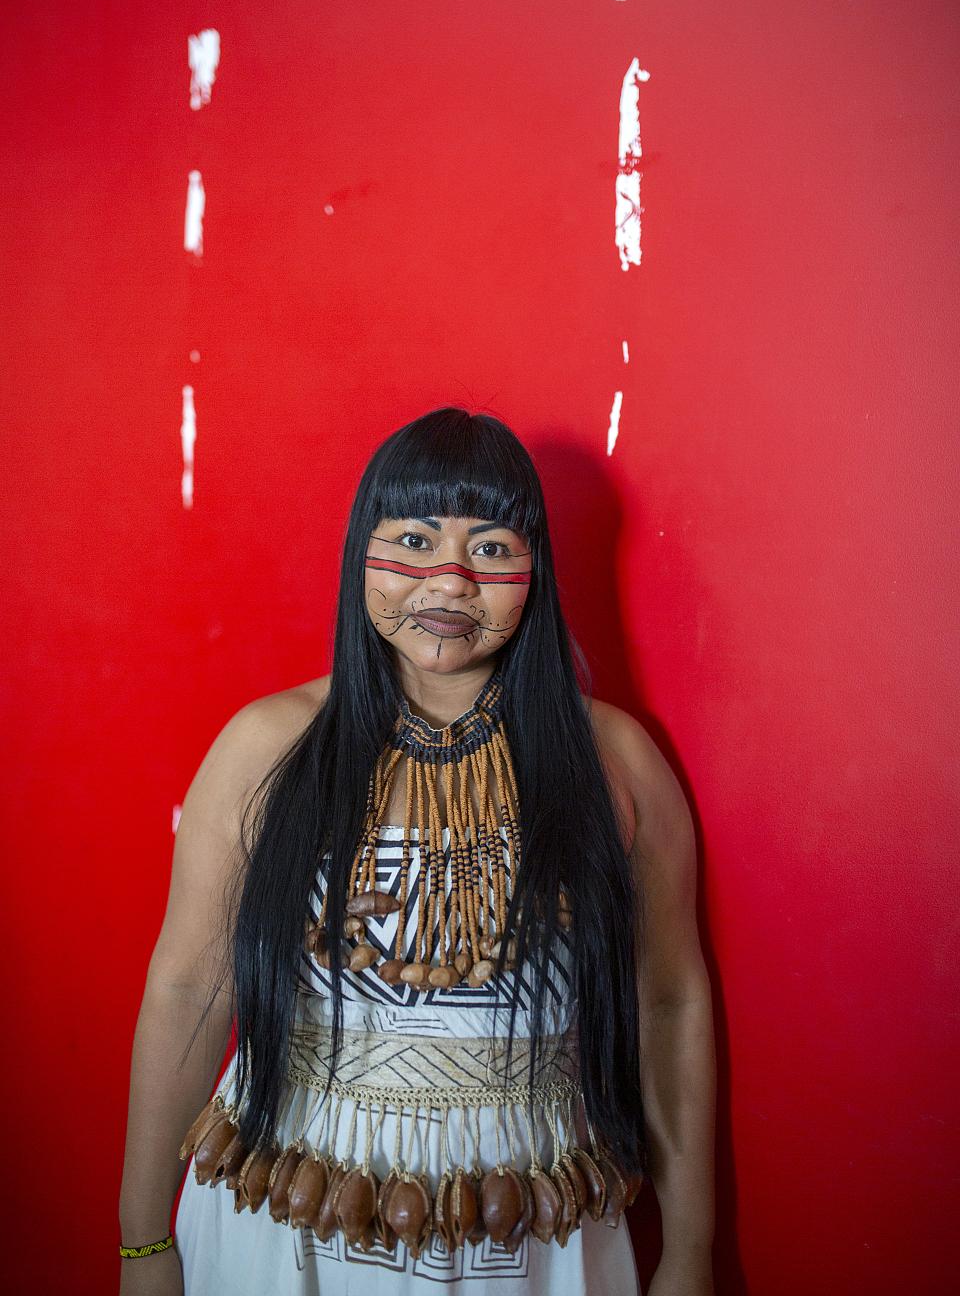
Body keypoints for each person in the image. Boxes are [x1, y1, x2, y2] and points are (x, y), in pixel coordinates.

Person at [118, 406, 716, 1295]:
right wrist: (143, 1245)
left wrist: (690, 1254)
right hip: (289, 1222)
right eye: (413, 537)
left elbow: (666, 1000)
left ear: (535, 570)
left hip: (529, 1225)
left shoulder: (614, 761)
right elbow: (187, 987)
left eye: (489, 548)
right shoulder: (267, 745)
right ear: (362, 553)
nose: (449, 580)